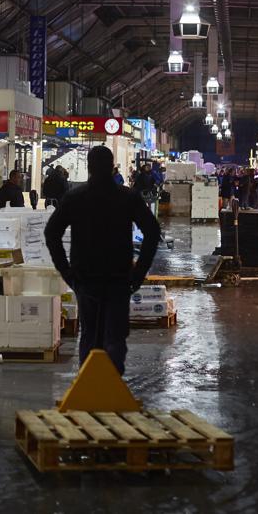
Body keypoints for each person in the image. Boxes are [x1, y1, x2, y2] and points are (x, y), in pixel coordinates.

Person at [44, 146, 161, 375]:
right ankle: (111, 390)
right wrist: (139, 272)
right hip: (119, 278)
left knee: (89, 334)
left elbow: (52, 233)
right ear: (112, 167)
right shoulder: (127, 197)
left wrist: (66, 271)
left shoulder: (75, 197)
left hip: (85, 277)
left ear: (88, 166)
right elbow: (152, 232)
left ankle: (88, 388)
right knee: (115, 337)